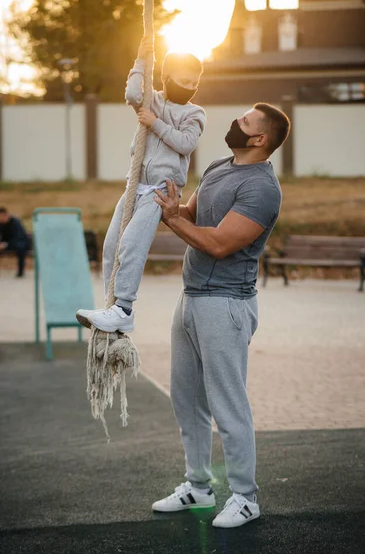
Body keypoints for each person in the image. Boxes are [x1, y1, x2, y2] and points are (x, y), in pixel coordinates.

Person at [151, 103, 290, 528]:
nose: (236, 122)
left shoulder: (262, 189)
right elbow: (192, 216)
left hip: (226, 303)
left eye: (245, 122)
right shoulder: (218, 165)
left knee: (227, 405)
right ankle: (198, 487)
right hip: (191, 298)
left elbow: (217, 244)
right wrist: (161, 201)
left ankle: (246, 498)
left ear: (260, 139)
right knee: (187, 400)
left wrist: (174, 221)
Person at [76, 37, 206, 333]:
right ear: (167, 78)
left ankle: (124, 307)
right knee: (112, 245)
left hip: (160, 191)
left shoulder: (194, 114)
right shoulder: (154, 99)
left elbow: (186, 143)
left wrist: (155, 123)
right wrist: (140, 60)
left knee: (133, 245)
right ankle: (111, 306)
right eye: (185, 79)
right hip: (135, 186)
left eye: (196, 81)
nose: (191, 86)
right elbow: (133, 93)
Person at [0, 207, 30, 278]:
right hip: (6, 244)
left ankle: (20, 272)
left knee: (21, 248)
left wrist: (5, 244)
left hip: (19, 243)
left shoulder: (15, 222)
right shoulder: (1, 224)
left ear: (6, 215)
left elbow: (18, 237)